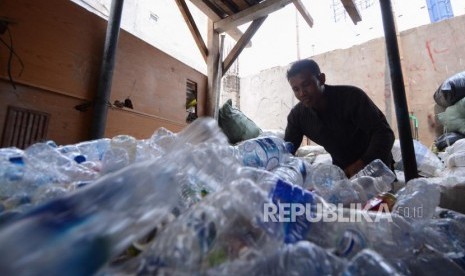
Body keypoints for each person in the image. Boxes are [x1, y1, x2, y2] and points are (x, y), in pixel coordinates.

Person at [284, 59, 395, 178]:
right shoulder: (297, 116)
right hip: (343, 173)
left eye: (306, 85)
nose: (302, 93)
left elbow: (384, 134)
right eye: (296, 89)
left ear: (321, 79)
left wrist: (360, 164)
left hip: (377, 170)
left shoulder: (352, 97)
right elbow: (285, 152)